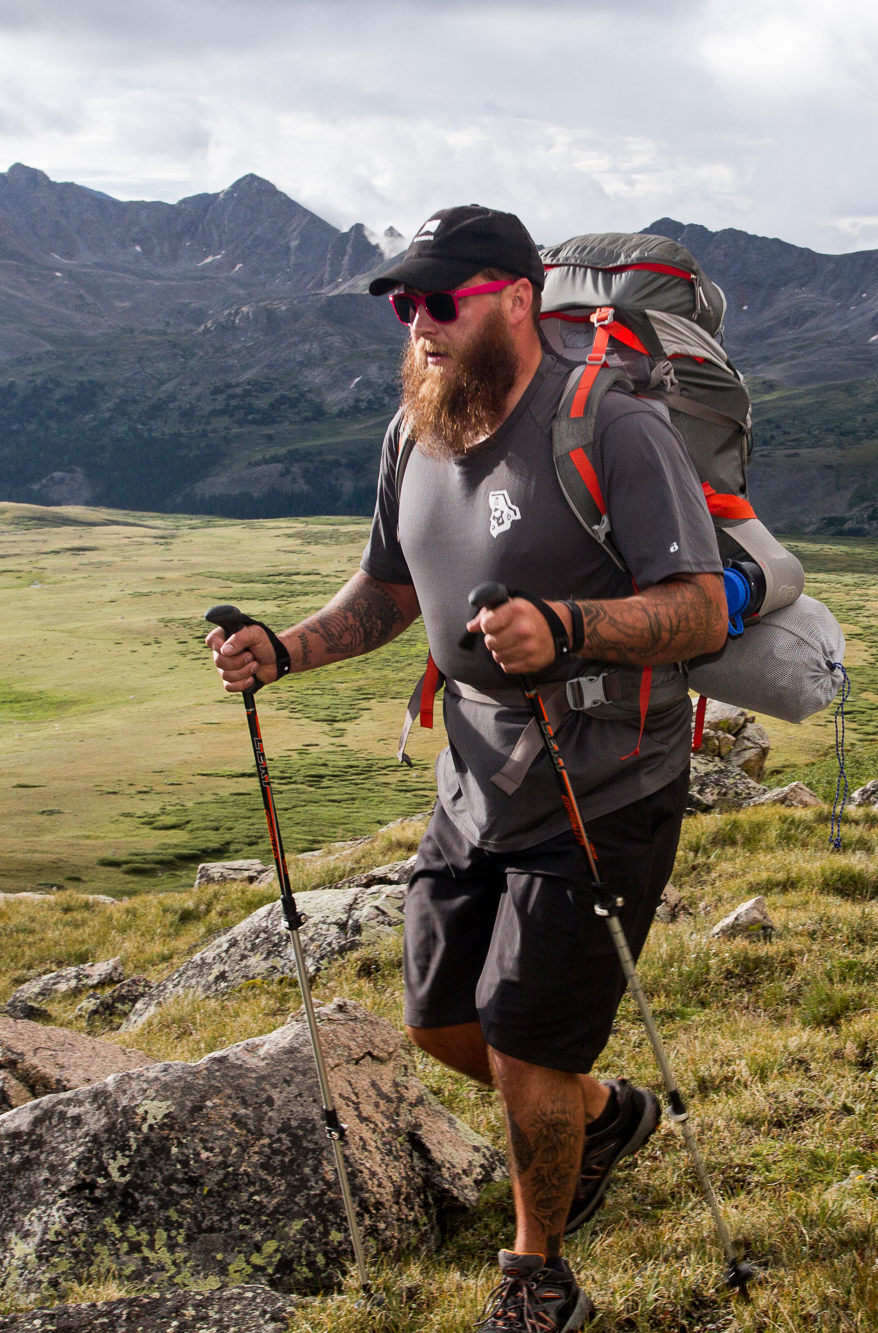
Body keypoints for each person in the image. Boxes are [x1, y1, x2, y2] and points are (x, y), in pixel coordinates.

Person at [208, 204, 726, 1333]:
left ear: (516, 296)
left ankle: (538, 1273)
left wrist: (569, 629)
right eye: (404, 304)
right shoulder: (417, 428)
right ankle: (604, 1114)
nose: (418, 323)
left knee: (527, 1041)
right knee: (443, 1023)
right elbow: (390, 589)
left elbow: (695, 611)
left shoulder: (612, 427)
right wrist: (286, 649)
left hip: (604, 780)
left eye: (440, 300)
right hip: (476, 776)